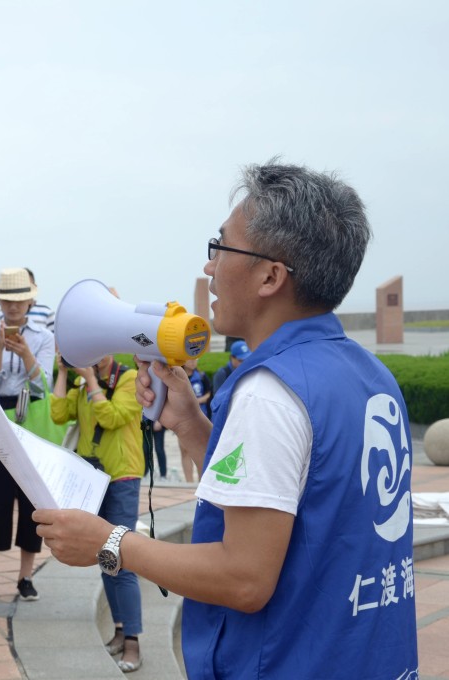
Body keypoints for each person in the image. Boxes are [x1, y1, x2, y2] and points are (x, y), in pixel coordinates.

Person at [35, 160, 418, 679]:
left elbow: (244, 579)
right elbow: (299, 495)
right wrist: (192, 426)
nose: (210, 268)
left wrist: (109, 542)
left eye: (221, 248)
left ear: (270, 275)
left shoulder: (271, 393)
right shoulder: (368, 374)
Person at [50, 351, 144, 672]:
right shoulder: (81, 380)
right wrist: (64, 373)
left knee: (123, 557)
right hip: (93, 478)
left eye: (96, 348)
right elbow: (59, 414)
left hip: (122, 477)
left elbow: (113, 417)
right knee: (106, 558)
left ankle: (133, 641)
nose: (92, 356)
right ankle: (119, 630)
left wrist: (90, 381)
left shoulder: (129, 378)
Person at [0, 268, 55, 605]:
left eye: (19, 299)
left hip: (30, 419)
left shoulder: (44, 337)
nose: (13, 306)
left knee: (32, 500)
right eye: (7, 299)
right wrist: (1, 350)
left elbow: (42, 384)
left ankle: (25, 576)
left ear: (31, 300)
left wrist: (25, 352)